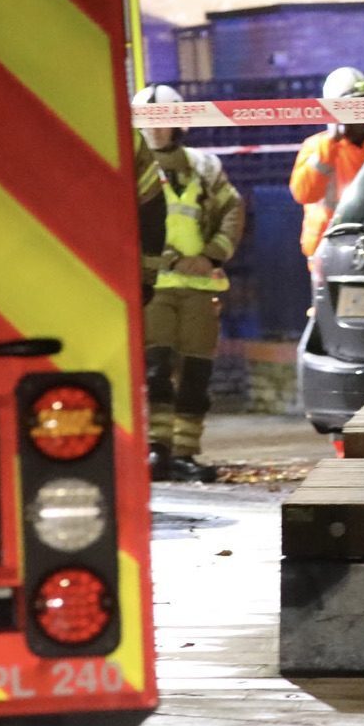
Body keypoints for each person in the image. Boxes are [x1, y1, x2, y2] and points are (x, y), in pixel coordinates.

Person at [132, 84, 243, 483]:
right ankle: (156, 450)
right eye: (148, 123)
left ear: (179, 124)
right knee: (156, 368)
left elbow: (232, 209)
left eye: (163, 123)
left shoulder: (204, 166)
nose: (156, 131)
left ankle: (185, 452)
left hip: (201, 286)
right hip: (155, 284)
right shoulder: (134, 168)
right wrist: (164, 261)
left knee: (196, 373)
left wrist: (211, 255)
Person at [290, 66, 364, 264]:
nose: (362, 112)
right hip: (328, 251)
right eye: (354, 106)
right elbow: (304, 194)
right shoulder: (316, 146)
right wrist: (330, 145)